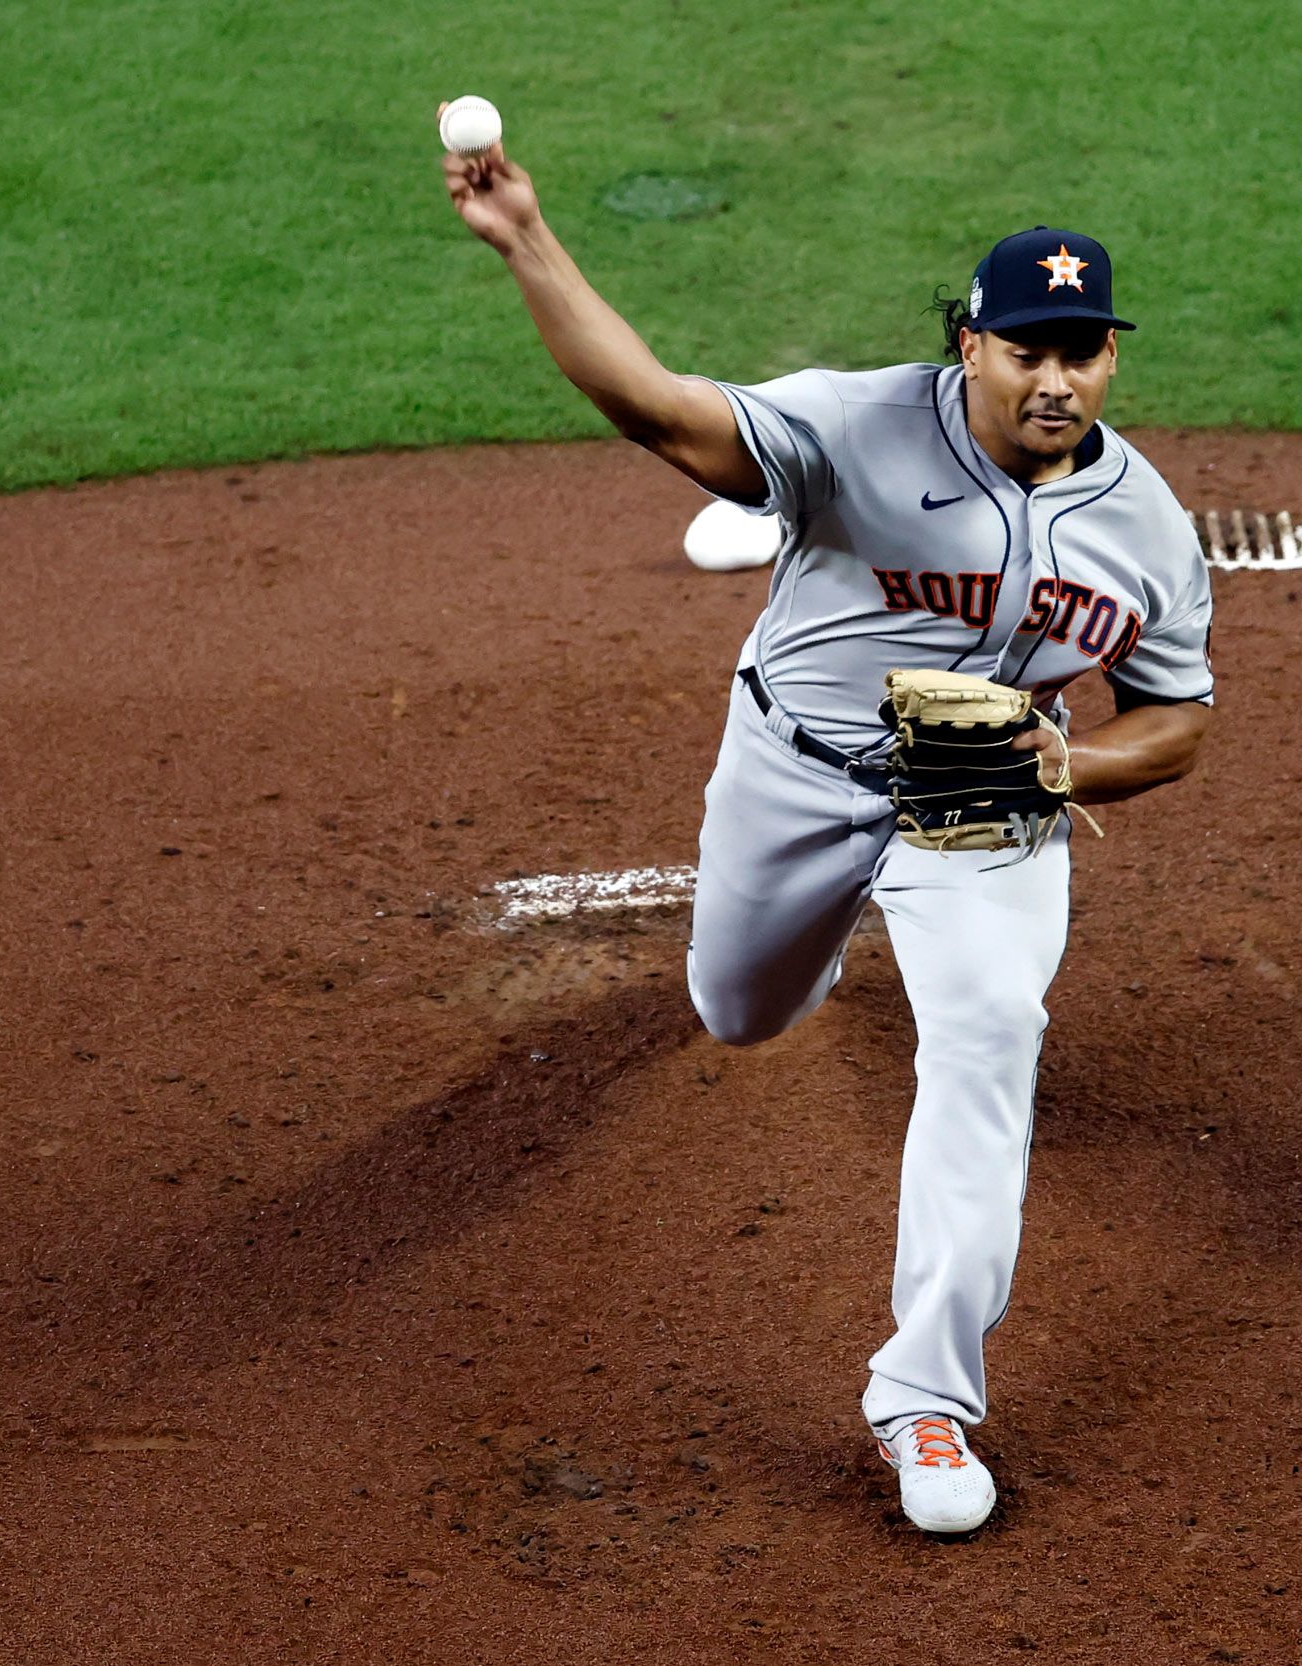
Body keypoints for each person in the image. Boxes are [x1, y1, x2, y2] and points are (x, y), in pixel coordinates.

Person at [441, 132, 1214, 1535]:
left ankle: (926, 1399)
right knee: (739, 1009)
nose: (1056, 377)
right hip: (795, 766)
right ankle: (808, 956)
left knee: (991, 1033)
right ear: (969, 342)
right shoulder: (857, 424)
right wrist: (528, 242)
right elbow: (661, 411)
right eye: (1027, 347)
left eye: (1084, 350)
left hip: (982, 796)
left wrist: (1075, 765)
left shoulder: (1147, 525)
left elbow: (1180, 718)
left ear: (1111, 360)